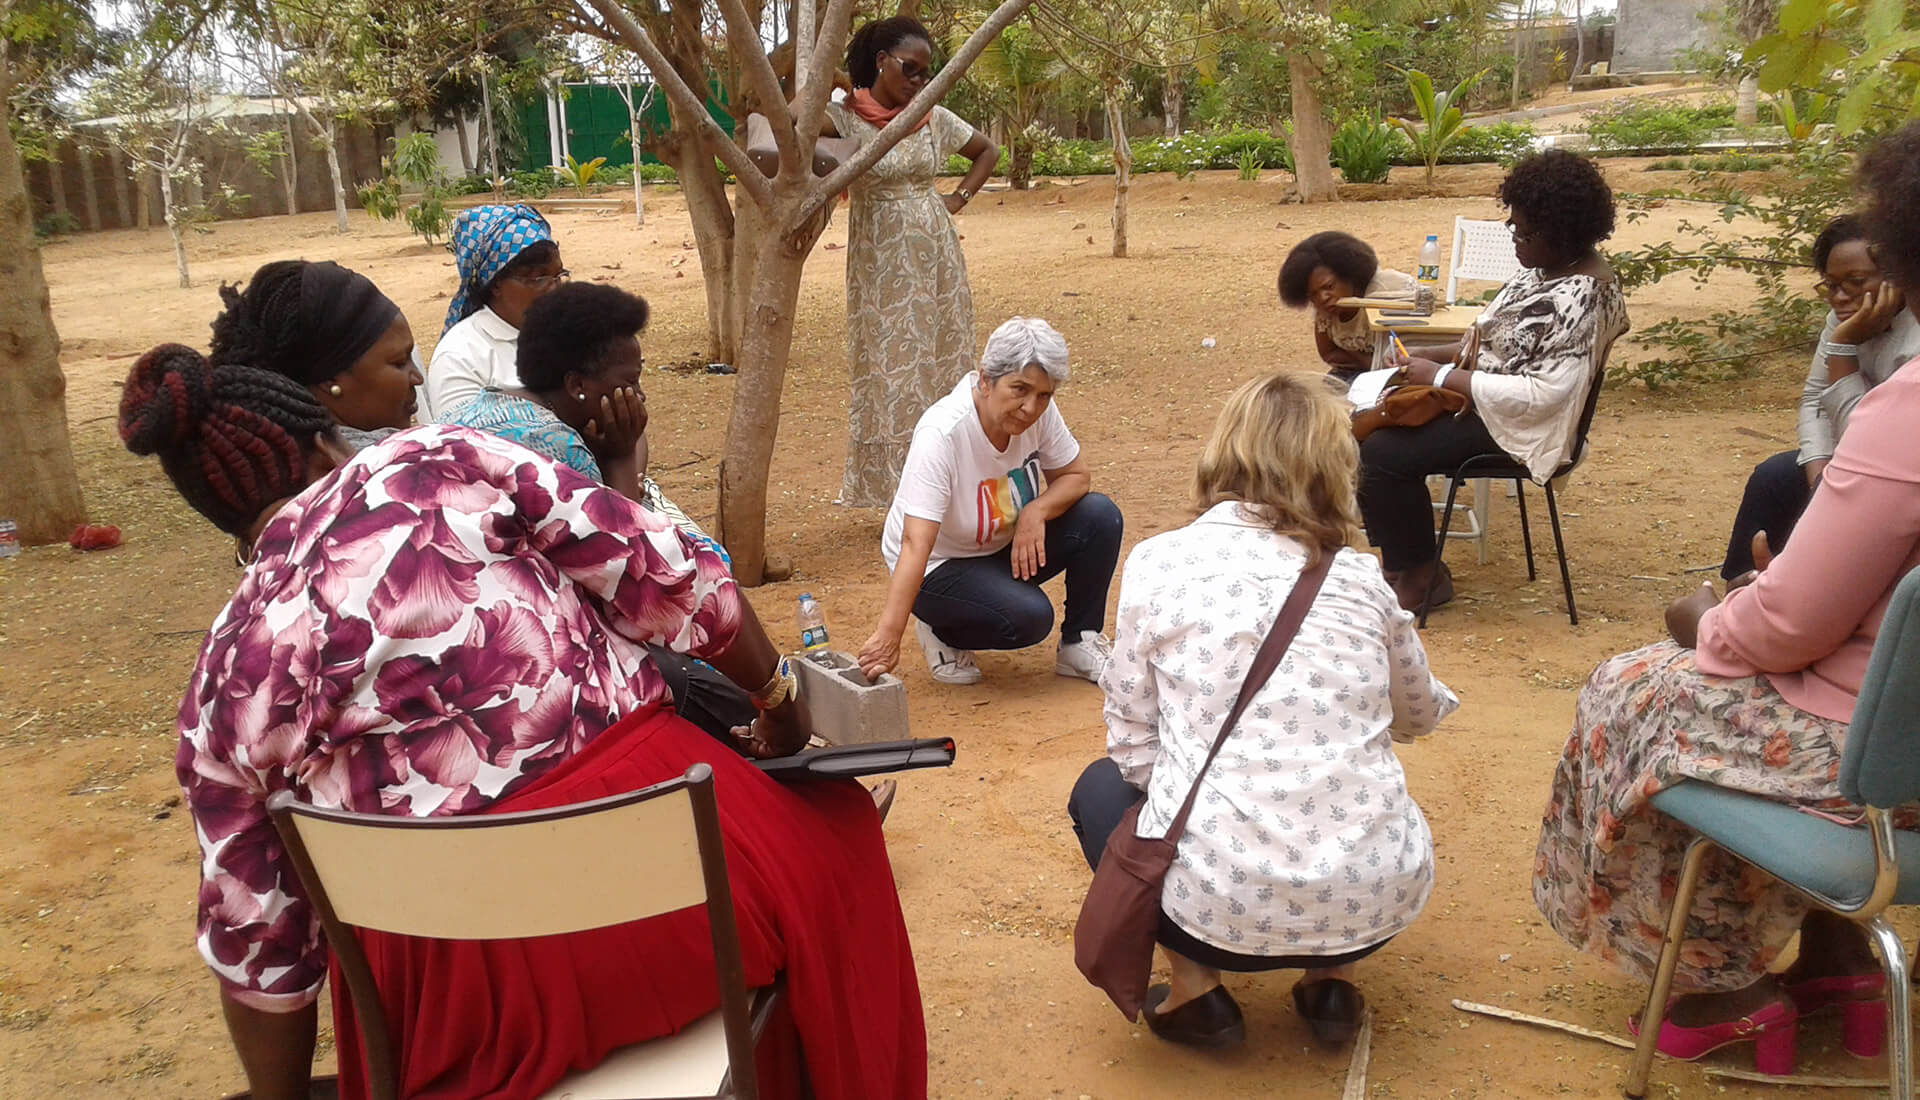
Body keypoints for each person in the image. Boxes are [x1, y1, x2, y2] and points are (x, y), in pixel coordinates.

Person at [118, 348, 927, 1100]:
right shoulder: (437, 461)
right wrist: (778, 703)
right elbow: (669, 577)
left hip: (461, 1010)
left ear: (221, 518)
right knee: (840, 831)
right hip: (674, 922)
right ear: (325, 440)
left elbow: (258, 948)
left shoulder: (224, 674)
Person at [1532, 121, 1920, 1077]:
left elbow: (1789, 625)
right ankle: (1841, 967)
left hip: (1886, 779)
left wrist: (1712, 618)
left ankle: (1725, 993)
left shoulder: (1910, 411)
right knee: (1718, 692)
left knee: (1639, 691)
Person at [1068, 371, 1457, 1048]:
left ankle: (1196, 987)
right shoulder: (1360, 578)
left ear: (1225, 452)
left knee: (1101, 790)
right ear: (1336, 464)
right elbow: (1418, 714)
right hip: (1373, 892)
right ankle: (1329, 977)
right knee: (1352, 778)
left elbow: (1132, 744)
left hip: (1213, 907)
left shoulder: (1160, 563)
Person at [440, 281, 756, 740]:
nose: (639, 397)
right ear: (576, 384)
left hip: (478, 641)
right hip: (533, 667)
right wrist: (622, 456)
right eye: (628, 383)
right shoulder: (555, 447)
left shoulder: (484, 407)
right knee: (714, 691)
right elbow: (635, 581)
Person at [1358, 149, 1630, 612]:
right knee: (1369, 422)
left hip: (1524, 428)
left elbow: (1545, 395)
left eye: (1525, 232)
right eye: (1513, 226)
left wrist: (1441, 375)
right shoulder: (1544, 271)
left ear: (1563, 231)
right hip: (1490, 406)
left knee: (1383, 452)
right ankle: (1404, 566)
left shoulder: (1583, 293)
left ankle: (1420, 574)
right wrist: (1428, 356)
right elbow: (1488, 342)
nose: (1515, 240)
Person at [749, 16, 999, 507]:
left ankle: (949, 487)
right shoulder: (846, 116)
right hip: (880, 258)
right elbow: (788, 124)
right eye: (909, 68)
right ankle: (902, 495)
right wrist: (831, 84)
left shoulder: (931, 115)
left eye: (926, 72)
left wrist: (957, 198)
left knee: (941, 362)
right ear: (881, 61)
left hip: (937, 258)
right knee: (891, 370)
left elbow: (987, 151)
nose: (918, 81)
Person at [857, 317, 1120, 686]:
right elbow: (916, 542)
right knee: (1029, 618)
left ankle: (1079, 641)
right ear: (985, 380)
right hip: (940, 566)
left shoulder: (1038, 417)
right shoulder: (942, 434)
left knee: (1100, 516)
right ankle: (943, 631)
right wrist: (888, 634)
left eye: (1044, 395)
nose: (1031, 407)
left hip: (1000, 546)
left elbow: (1077, 476)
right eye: (1020, 390)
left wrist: (1036, 510)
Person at [1720, 214, 1920, 579]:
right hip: (1845, 463)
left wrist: (1843, 346)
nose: (1840, 297)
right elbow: (1814, 400)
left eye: (1856, 282)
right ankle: (1742, 587)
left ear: (1897, 277)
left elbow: (1872, 441)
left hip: (1892, 475)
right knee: (1775, 476)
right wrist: (1818, 475)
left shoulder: (1912, 338)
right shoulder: (1842, 315)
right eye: (1831, 285)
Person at [211, 259, 422, 452]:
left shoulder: (279, 467)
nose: (418, 378)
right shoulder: (396, 472)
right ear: (329, 379)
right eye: (399, 362)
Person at [424, 203, 565, 420]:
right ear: (496, 283)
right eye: (539, 278)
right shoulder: (460, 357)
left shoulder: (568, 333)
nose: (556, 288)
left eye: (559, 275)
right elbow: (464, 445)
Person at [1278, 231, 1420, 384]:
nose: (1323, 298)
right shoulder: (1325, 311)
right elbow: (1329, 353)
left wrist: (1367, 362)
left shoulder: (1389, 292)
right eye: (1313, 295)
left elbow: (1408, 354)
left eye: (1329, 286)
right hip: (1360, 372)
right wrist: (1366, 362)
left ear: (1349, 275)